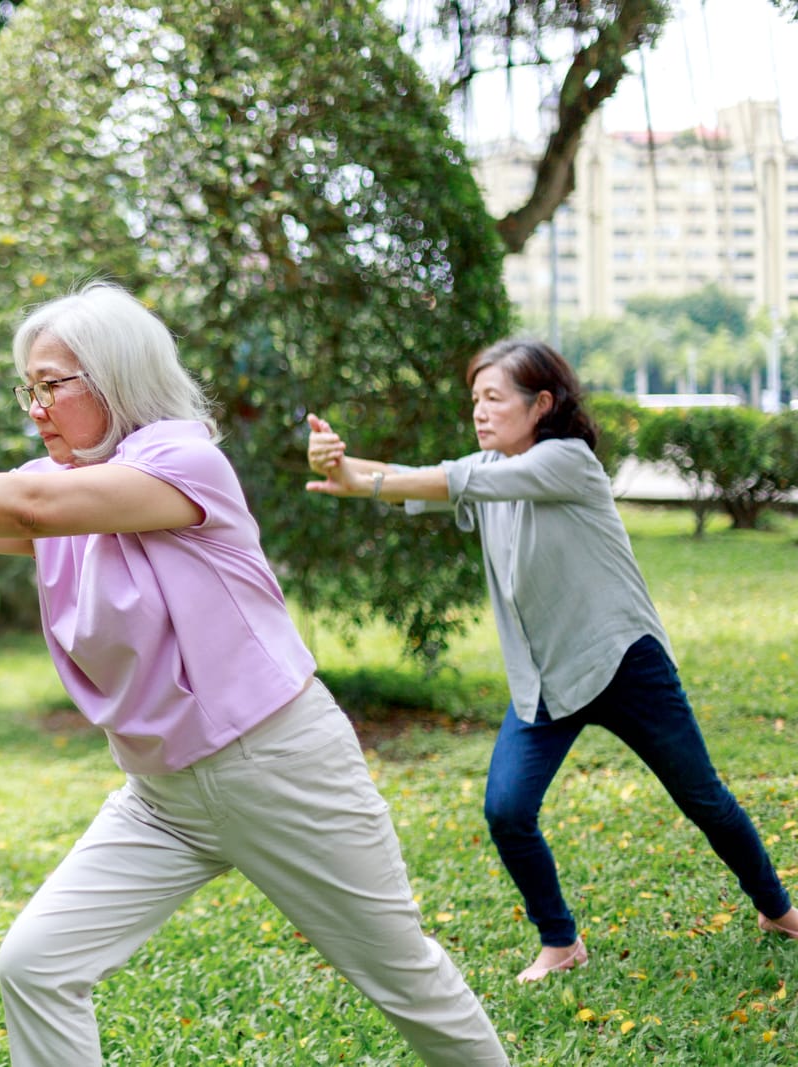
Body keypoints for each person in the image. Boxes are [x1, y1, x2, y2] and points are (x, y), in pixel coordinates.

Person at [0, 283, 508, 1067]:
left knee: (404, 978)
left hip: (278, 765)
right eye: (30, 387)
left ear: (117, 378)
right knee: (36, 962)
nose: (36, 406)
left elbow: (19, 506)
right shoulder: (68, 489)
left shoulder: (180, 461)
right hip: (163, 797)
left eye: (53, 384)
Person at [304, 337, 798, 984]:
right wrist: (342, 464)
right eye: (474, 398)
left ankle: (777, 908)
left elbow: (446, 479)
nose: (479, 411)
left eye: (493, 397)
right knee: (508, 809)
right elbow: (423, 479)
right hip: (544, 679)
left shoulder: (568, 461)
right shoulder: (489, 466)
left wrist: (359, 480)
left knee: (702, 797)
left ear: (541, 402)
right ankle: (560, 941)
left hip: (623, 663)